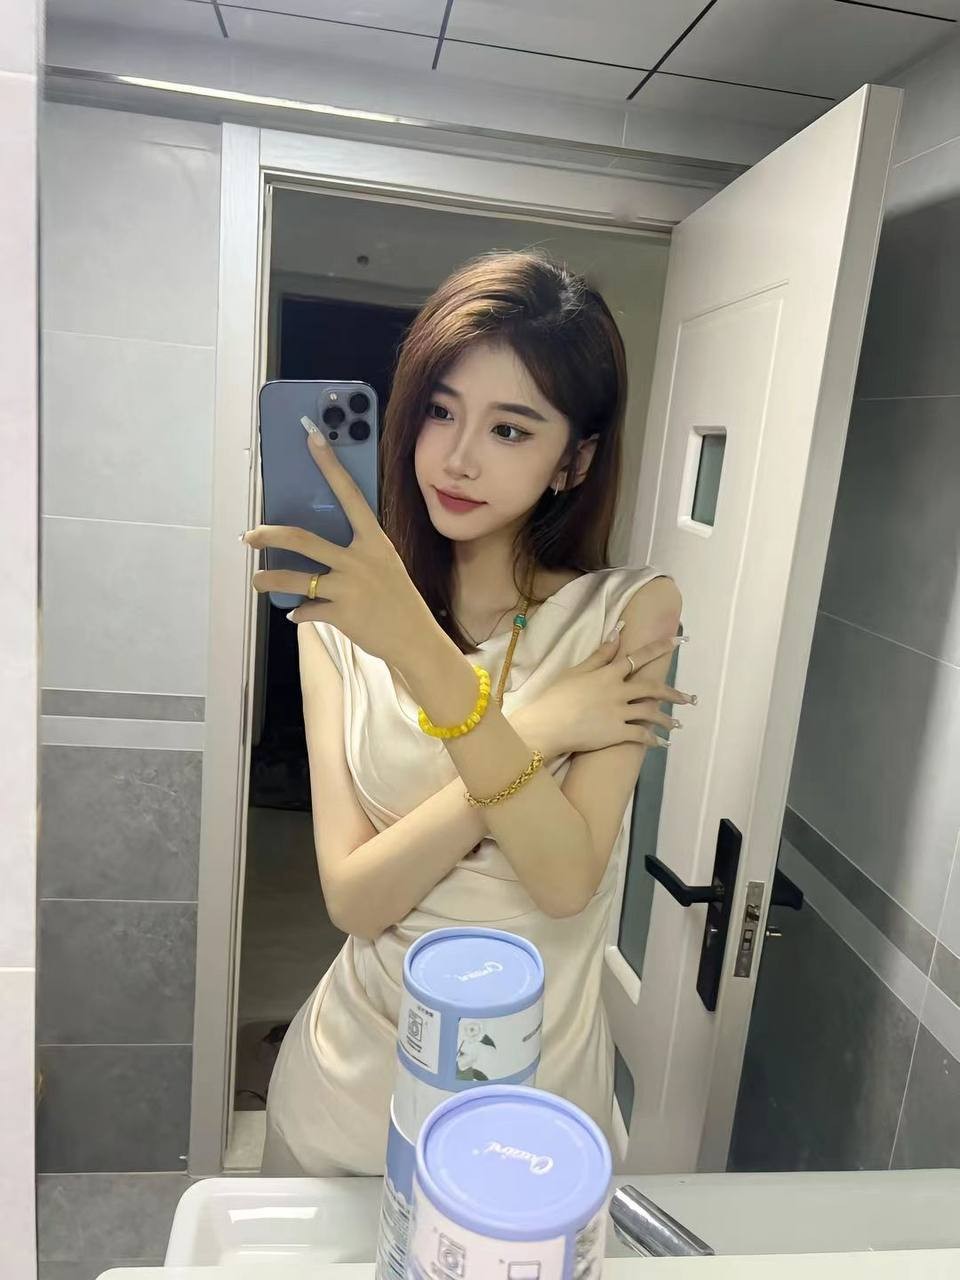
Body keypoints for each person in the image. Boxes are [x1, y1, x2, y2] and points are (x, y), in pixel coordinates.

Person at [244, 250, 691, 1176]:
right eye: (440, 411)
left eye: (510, 429)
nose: (457, 457)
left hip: (531, 1119)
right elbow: (355, 900)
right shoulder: (339, 623)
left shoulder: (630, 615)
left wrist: (427, 661)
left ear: (575, 459)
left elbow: (563, 879)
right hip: (346, 1099)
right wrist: (538, 727)